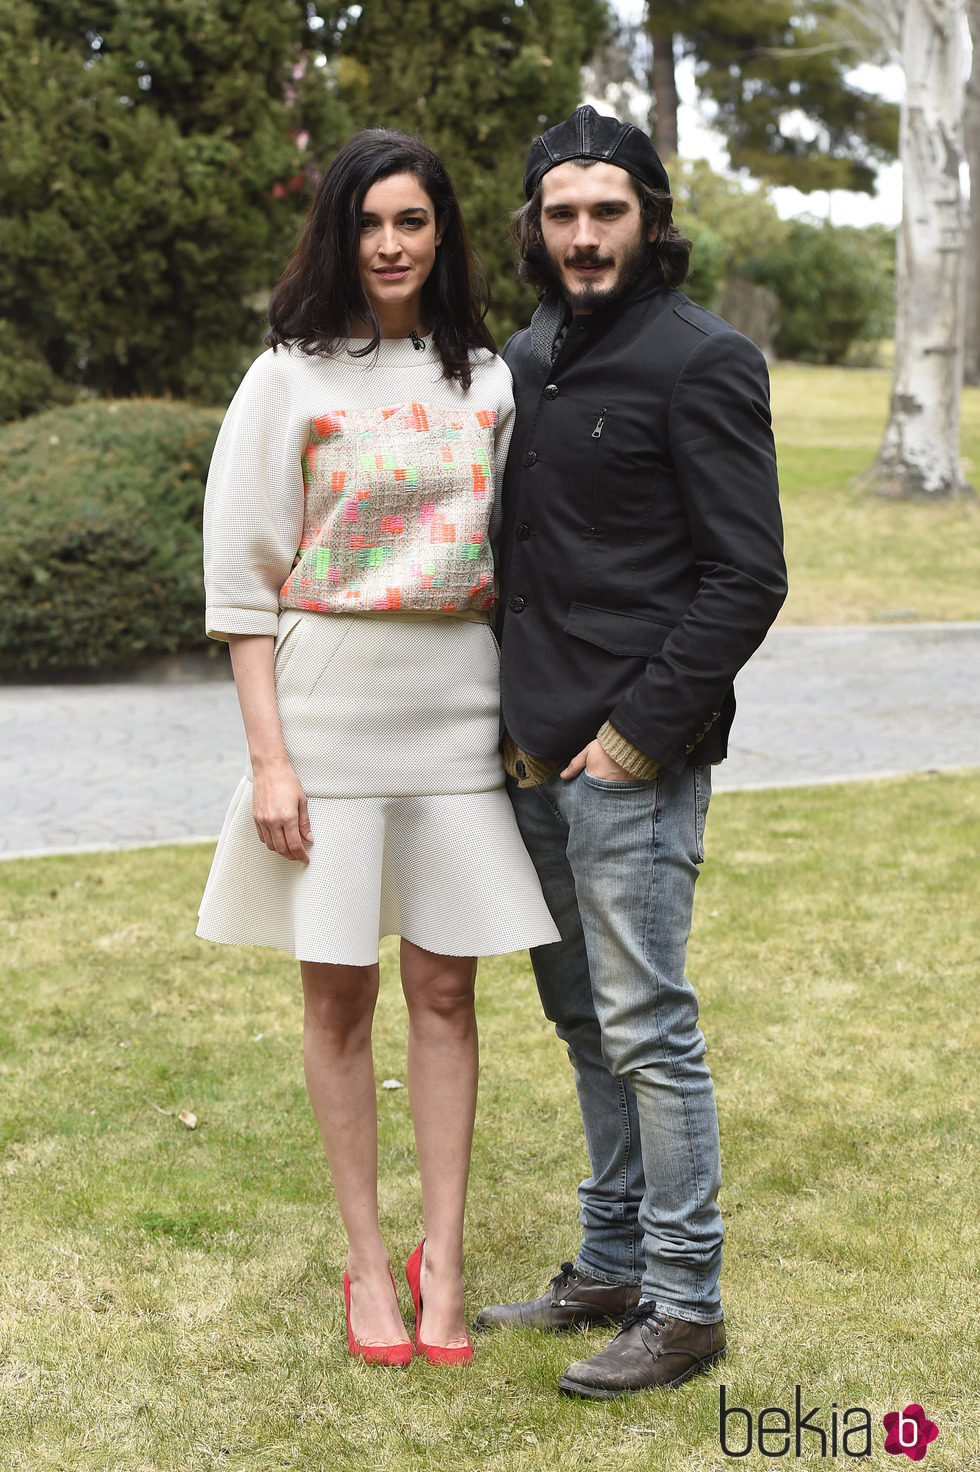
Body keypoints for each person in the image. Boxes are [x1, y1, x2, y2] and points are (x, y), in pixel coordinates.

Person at [196, 129, 559, 1370]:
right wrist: (270, 761)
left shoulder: (489, 380)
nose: (392, 245)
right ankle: (366, 1264)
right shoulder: (285, 378)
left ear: (443, 232)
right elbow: (242, 586)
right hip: (325, 713)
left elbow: (515, 559)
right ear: (338, 235)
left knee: (447, 990)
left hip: (453, 708)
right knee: (337, 989)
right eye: (369, 224)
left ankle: (442, 1261)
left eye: (413, 221)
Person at [473, 106, 787, 1398]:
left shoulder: (702, 359)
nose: (586, 235)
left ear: (651, 217)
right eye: (563, 214)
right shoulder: (529, 354)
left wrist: (633, 740)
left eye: (609, 211)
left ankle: (688, 1300)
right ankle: (606, 1268)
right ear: (537, 229)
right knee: (581, 1023)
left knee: (650, 1027)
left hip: (627, 758)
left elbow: (746, 575)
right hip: (532, 756)